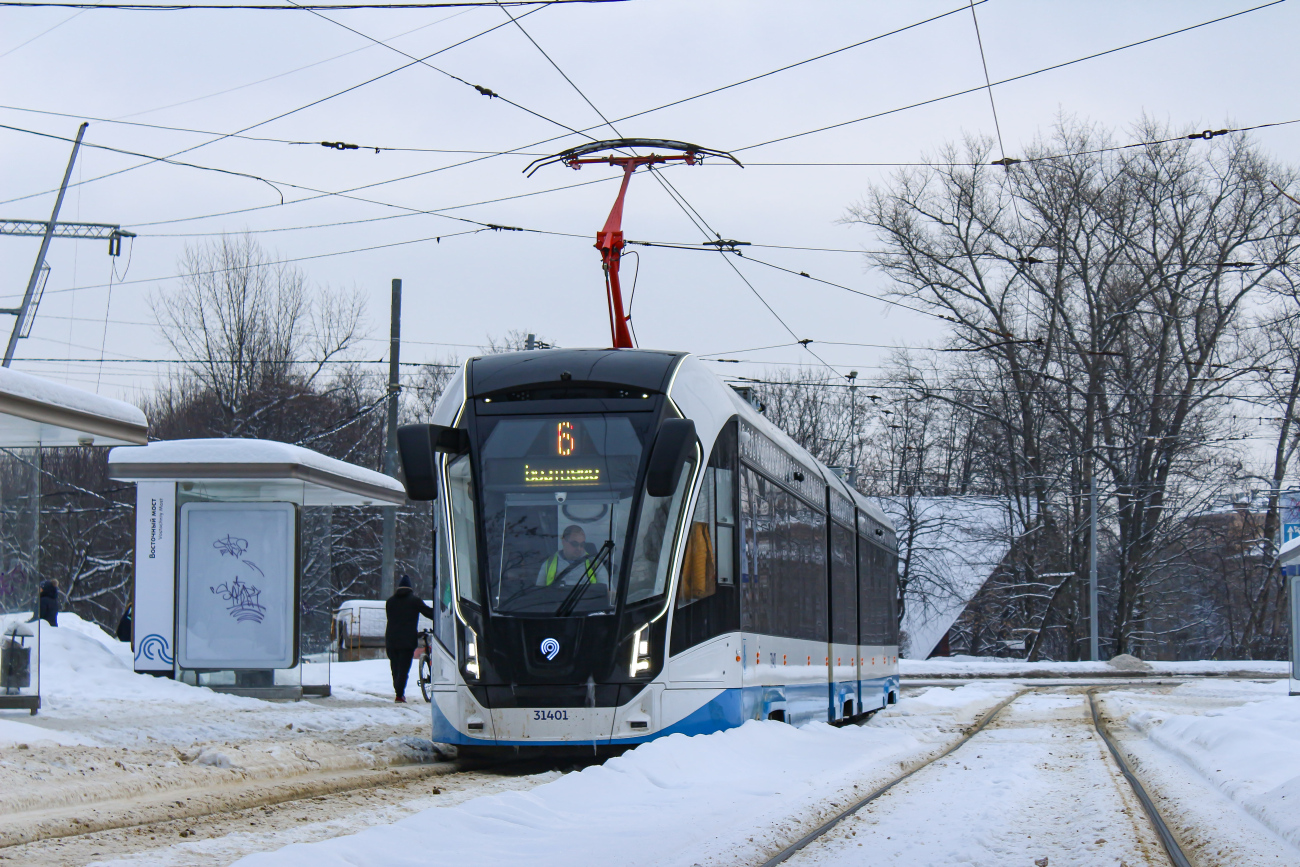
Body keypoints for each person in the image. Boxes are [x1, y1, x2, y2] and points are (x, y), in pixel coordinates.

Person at [385, 574, 436, 703]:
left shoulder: (390, 601)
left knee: (395, 668)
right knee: (403, 669)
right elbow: (429, 613)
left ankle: (398, 692)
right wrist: (443, 613)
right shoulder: (414, 601)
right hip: (407, 641)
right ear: (410, 589)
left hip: (391, 640)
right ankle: (399, 693)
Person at [536, 525, 601, 586]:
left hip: (586, 597)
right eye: (574, 544)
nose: (579, 548)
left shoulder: (594, 563)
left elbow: (606, 590)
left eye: (582, 544)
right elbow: (539, 592)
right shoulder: (548, 564)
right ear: (564, 542)